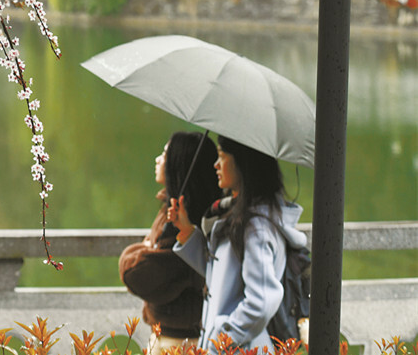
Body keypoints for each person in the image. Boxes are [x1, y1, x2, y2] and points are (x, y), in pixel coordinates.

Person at [167, 135, 309, 352]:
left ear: (244, 164)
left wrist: (224, 338)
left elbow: (261, 302)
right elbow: (223, 279)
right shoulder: (240, 215)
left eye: (222, 157)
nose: (215, 165)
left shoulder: (257, 228)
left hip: (242, 348)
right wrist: (186, 231)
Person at [119, 131, 222, 354]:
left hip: (181, 343)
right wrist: (146, 249)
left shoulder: (185, 221)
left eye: (165, 155)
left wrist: (143, 250)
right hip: (171, 336)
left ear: (178, 165)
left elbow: (136, 273)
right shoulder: (176, 212)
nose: (158, 159)